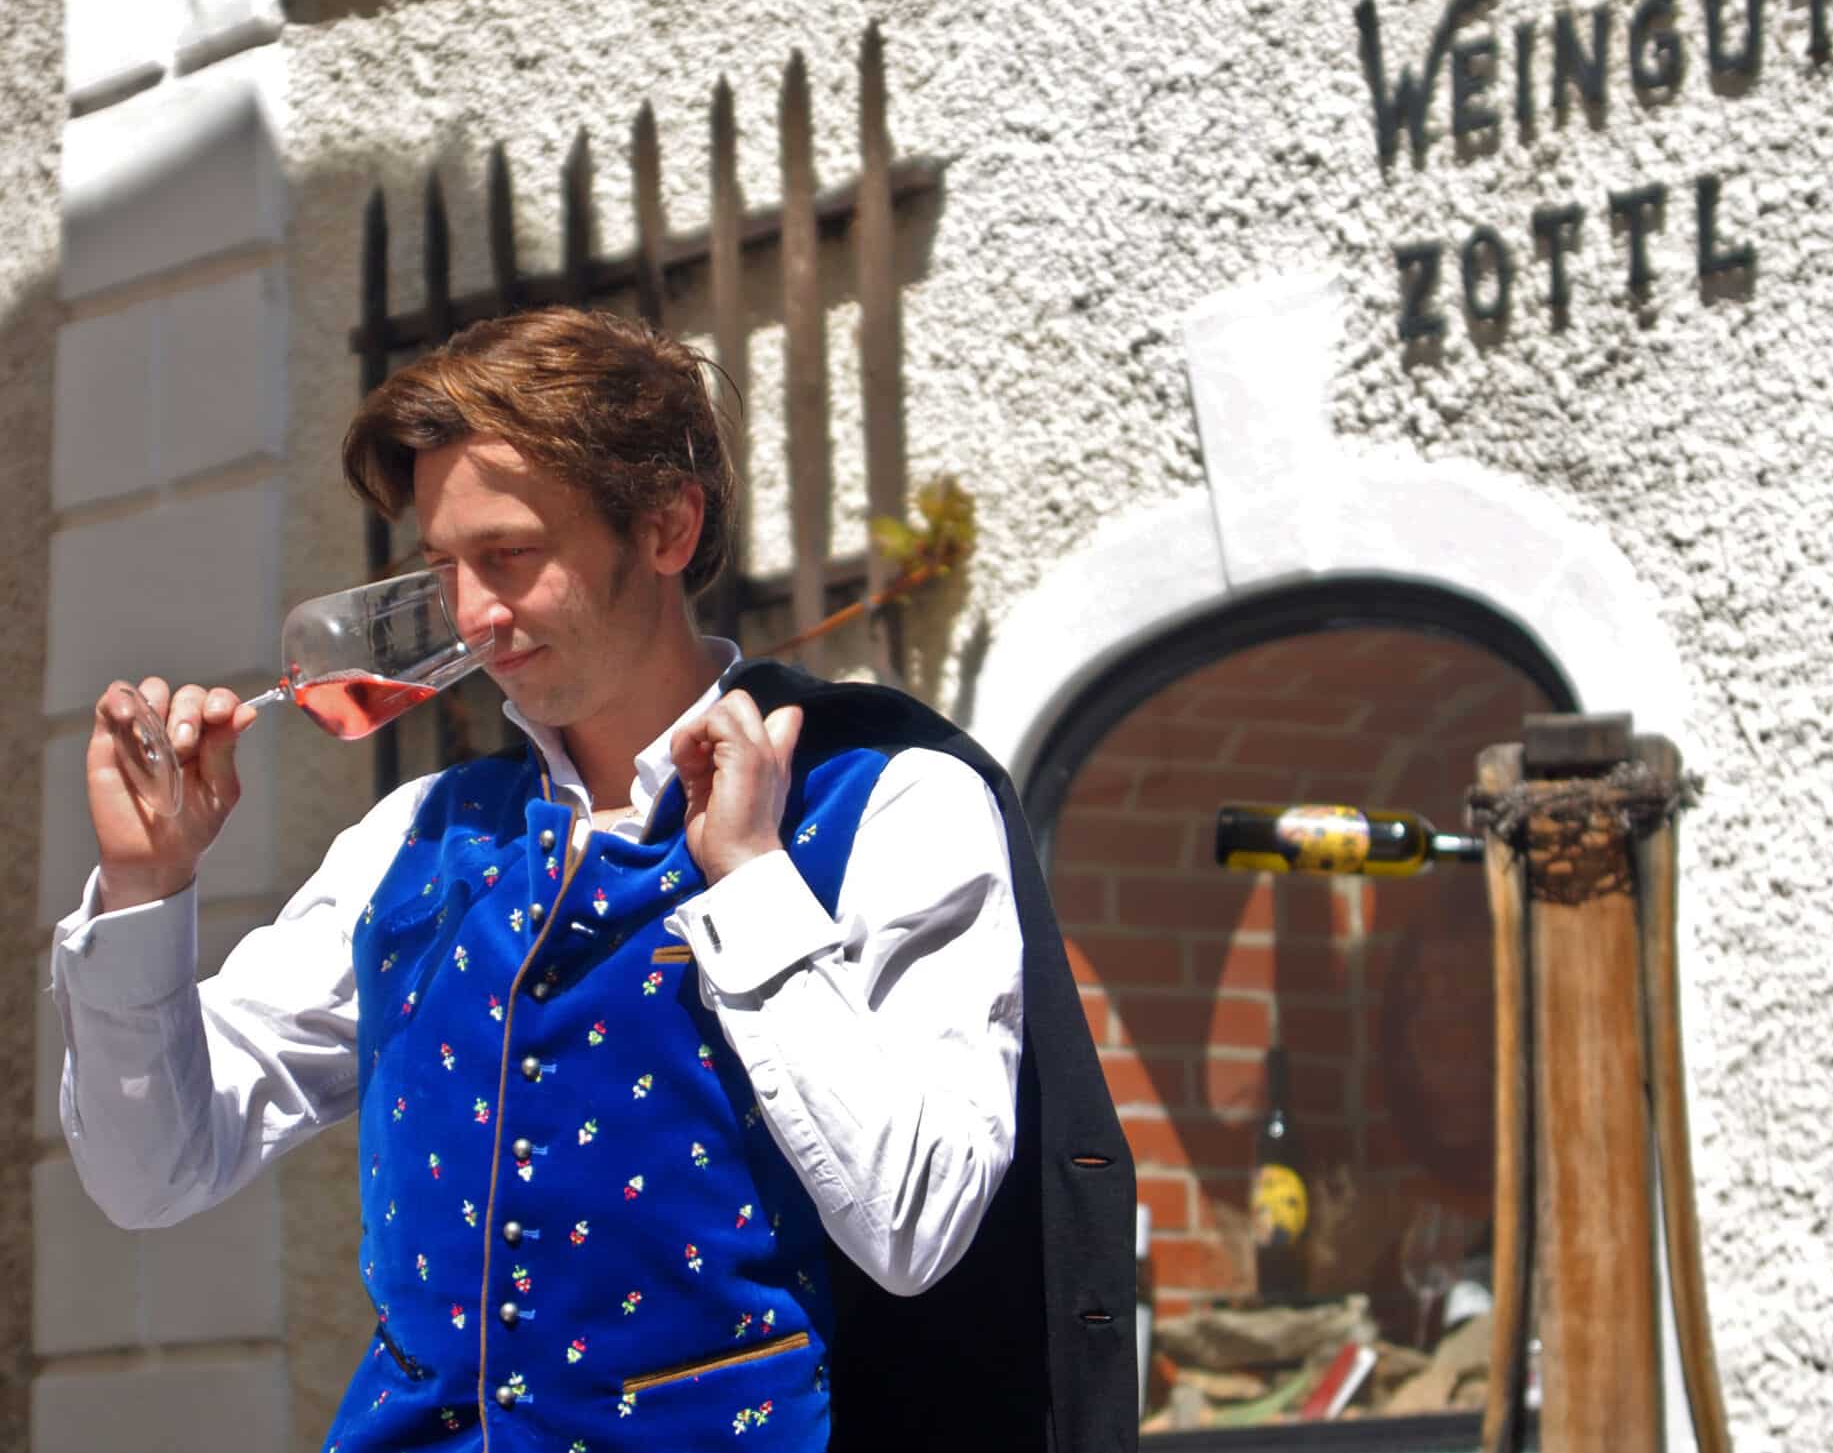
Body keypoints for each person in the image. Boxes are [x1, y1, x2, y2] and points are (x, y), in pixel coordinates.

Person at [53, 307, 1136, 1453]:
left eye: (510, 555)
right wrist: (144, 890)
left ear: (667, 526)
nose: (473, 615)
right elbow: (151, 1171)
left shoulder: (894, 803)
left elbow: (920, 1222)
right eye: (444, 567)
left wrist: (752, 882)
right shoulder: (412, 839)